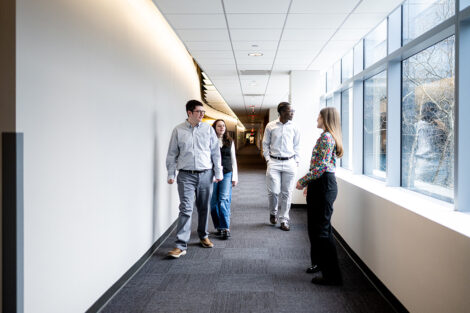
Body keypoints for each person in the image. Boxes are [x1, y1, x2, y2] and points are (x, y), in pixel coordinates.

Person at [166, 99, 223, 258]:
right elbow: (172, 154)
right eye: (199, 112)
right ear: (189, 113)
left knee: (204, 207)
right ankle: (180, 245)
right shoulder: (178, 130)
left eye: (203, 112)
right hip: (185, 175)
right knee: (186, 208)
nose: (202, 114)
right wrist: (171, 174)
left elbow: (215, 153)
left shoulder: (208, 129)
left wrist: (218, 173)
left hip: (206, 174)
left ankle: (203, 235)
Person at [296, 107, 343, 285]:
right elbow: (320, 165)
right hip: (321, 183)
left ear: (326, 118)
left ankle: (332, 277)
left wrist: (304, 180)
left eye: (319, 116)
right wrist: (312, 183)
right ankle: (321, 265)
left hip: (324, 184)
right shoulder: (327, 136)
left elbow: (322, 166)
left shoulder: (326, 137)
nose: (317, 118)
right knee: (317, 228)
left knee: (322, 230)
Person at [262, 102, 300, 231]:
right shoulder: (271, 126)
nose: (293, 113)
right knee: (273, 192)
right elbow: (265, 144)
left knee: (287, 193)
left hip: (290, 163)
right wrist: (268, 160)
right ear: (282, 112)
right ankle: (273, 212)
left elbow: (297, 145)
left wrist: (297, 162)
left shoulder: (294, 127)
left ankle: (284, 219)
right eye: (290, 111)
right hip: (274, 162)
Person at [210, 119, 238, 240]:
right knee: (212, 203)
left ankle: (225, 228)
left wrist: (235, 176)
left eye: (223, 126)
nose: (222, 128)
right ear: (214, 128)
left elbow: (233, 159)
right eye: (219, 126)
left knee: (223, 199)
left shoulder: (230, 141)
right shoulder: (209, 140)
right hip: (212, 174)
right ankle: (219, 227)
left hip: (227, 173)